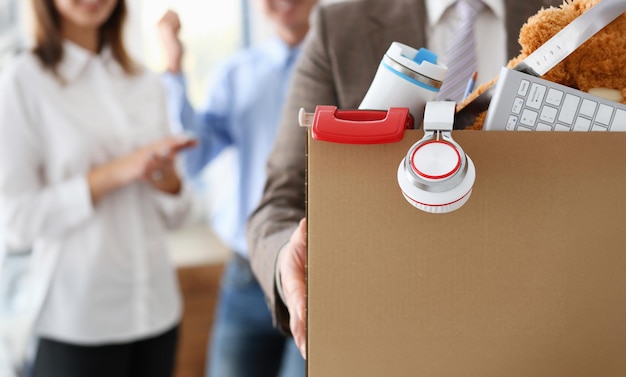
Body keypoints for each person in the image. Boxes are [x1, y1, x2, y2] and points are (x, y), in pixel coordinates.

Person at [246, 0, 564, 359]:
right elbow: (278, 200)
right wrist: (287, 258)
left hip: (534, 327)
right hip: (383, 324)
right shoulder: (339, 29)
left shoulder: (577, 19)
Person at [0, 0, 197, 376]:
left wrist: (166, 180)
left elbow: (178, 215)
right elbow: (15, 221)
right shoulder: (22, 82)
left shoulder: (144, 81)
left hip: (157, 312)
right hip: (77, 324)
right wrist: (114, 174)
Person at [156, 0, 317, 376]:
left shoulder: (346, 69)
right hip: (246, 274)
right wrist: (174, 66)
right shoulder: (236, 73)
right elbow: (194, 159)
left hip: (321, 274)